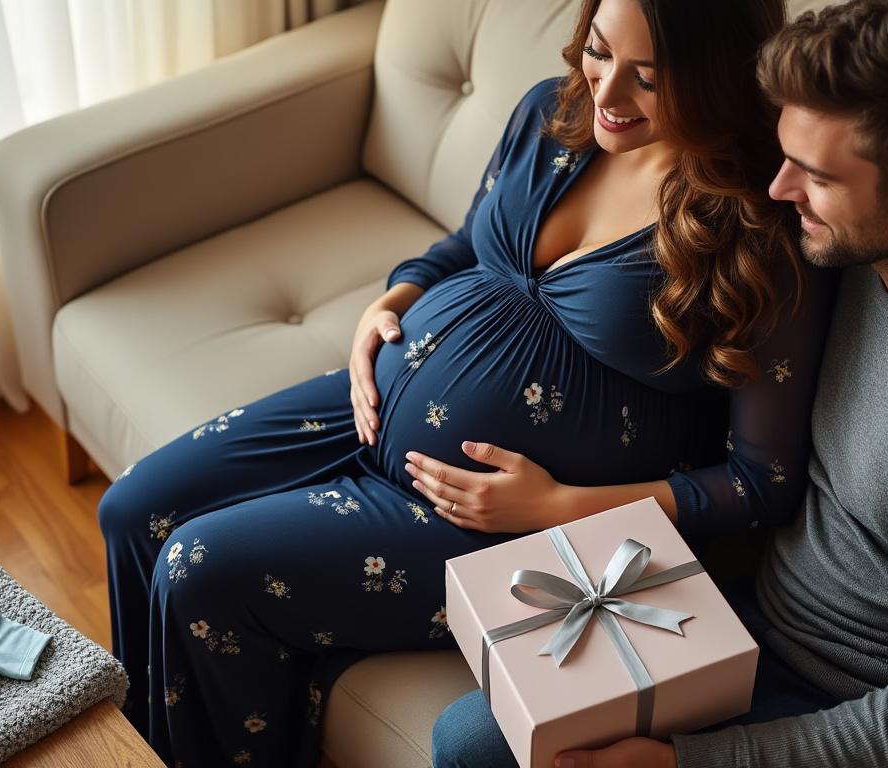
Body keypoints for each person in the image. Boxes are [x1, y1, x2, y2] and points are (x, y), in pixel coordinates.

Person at [97, 0, 834, 764]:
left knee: (199, 571)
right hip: (364, 404)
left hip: (493, 517)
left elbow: (762, 482)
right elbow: (463, 247)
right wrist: (391, 301)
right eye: (598, 50)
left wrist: (560, 508)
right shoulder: (554, 115)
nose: (608, 92)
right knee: (131, 511)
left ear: (717, 78)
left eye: (648, 79)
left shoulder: (756, 231)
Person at [430, 1, 888, 767]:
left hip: (867, 712)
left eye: (814, 175)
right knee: (473, 737)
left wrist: (684, 763)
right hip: (753, 623)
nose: (778, 191)